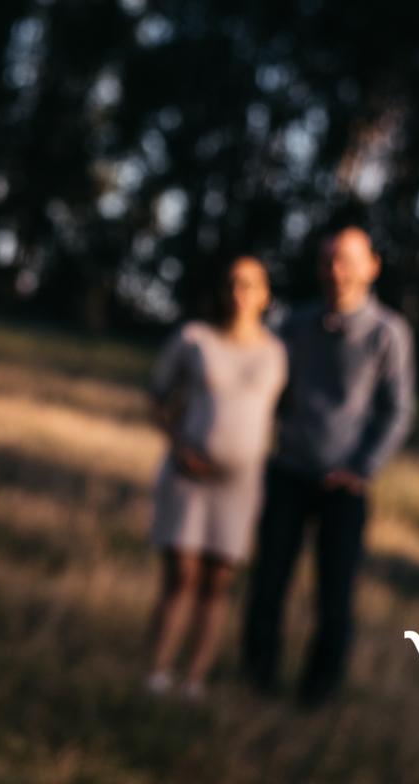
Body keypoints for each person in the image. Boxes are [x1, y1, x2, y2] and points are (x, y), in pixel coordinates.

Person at [242, 226, 415, 705]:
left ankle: (317, 696)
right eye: (327, 261)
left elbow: (397, 411)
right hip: (288, 473)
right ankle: (255, 680)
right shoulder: (295, 324)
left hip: (345, 486)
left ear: (371, 267)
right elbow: (267, 389)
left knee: (334, 599)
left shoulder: (388, 334)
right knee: (268, 585)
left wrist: (362, 468)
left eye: (346, 261)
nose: (336, 271)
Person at [145, 255, 288, 699]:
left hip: (240, 485)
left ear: (265, 295)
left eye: (250, 284)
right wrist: (179, 446)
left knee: (216, 581)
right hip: (189, 475)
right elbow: (157, 397)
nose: (240, 291)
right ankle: (156, 671)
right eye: (232, 282)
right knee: (181, 574)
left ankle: (195, 678)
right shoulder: (194, 338)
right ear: (221, 291)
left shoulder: (276, 352)